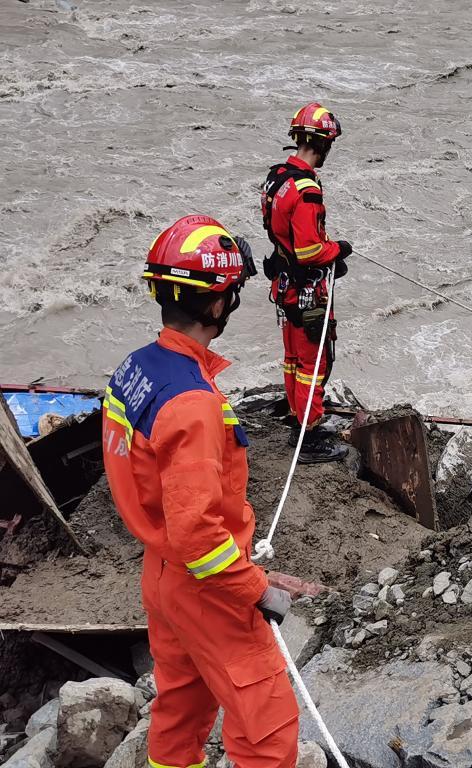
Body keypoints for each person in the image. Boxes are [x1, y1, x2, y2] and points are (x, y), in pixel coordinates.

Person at [101, 216, 299, 768]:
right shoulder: (193, 402)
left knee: (181, 707)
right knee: (267, 728)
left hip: (161, 575)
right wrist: (256, 587)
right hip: (207, 587)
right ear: (217, 305)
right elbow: (197, 534)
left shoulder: (137, 368)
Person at [260, 102, 351, 463]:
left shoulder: (277, 177)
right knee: (315, 364)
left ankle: (301, 419)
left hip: (285, 285)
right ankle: (308, 436)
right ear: (323, 144)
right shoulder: (307, 189)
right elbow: (311, 249)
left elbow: (282, 236)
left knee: (294, 361)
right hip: (307, 292)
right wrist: (339, 249)